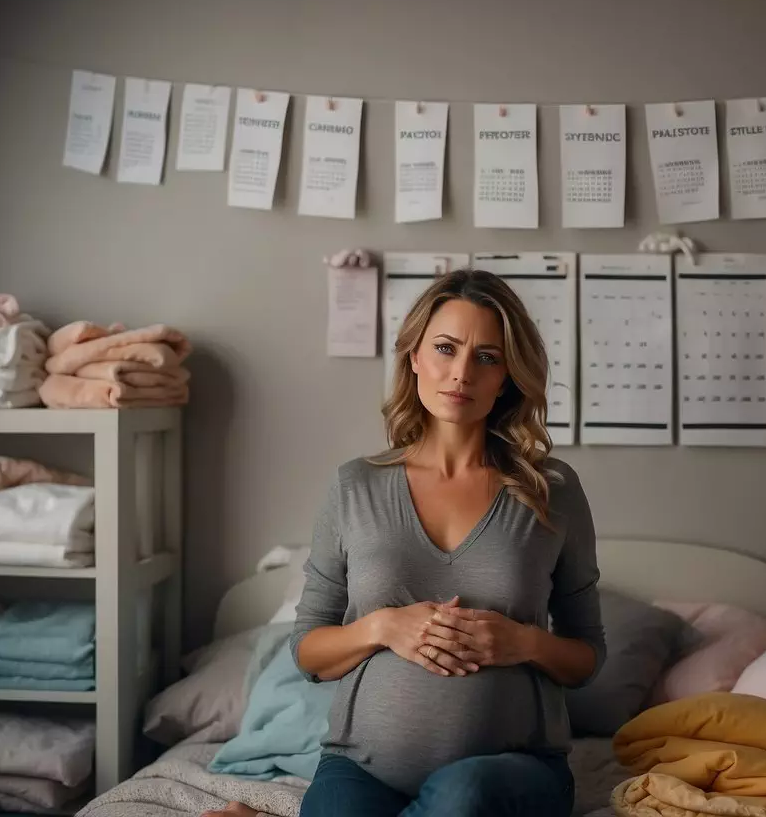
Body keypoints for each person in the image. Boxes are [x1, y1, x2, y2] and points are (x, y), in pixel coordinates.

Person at [202, 268, 605, 817]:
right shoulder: (354, 485)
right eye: (445, 348)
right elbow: (308, 652)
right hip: (360, 767)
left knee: (461, 798)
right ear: (414, 355)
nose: (461, 372)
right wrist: (382, 626)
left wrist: (525, 642)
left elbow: (586, 655)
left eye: (487, 357)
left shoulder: (550, 490)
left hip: (514, 771)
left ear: (508, 375)